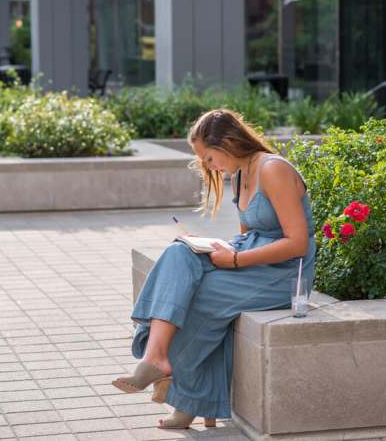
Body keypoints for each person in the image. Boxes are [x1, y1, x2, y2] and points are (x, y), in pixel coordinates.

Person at [112, 109, 316, 429]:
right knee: (180, 253)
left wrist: (234, 260)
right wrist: (215, 247)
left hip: (284, 273)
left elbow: (297, 243)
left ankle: (187, 397)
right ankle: (156, 357)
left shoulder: (273, 170)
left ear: (228, 142)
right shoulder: (239, 174)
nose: (209, 167)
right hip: (252, 259)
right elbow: (249, 236)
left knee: (200, 297)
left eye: (208, 158)